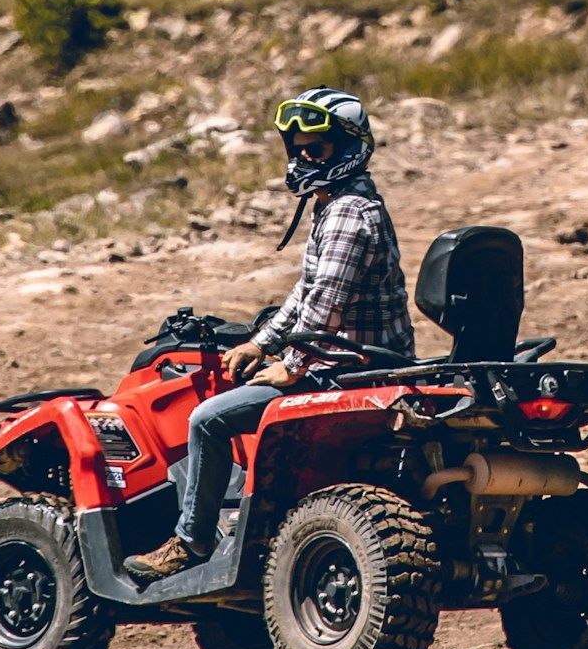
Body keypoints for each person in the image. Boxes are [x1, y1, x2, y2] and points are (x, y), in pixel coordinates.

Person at [125, 87, 414, 583]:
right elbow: (306, 293)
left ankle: (191, 542)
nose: (303, 156)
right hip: (350, 360)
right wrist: (260, 343)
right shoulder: (338, 203)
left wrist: (292, 366)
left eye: (315, 147)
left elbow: (323, 312)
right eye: (297, 147)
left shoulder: (346, 213)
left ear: (347, 148)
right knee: (242, 382)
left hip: (346, 370)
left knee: (208, 419)